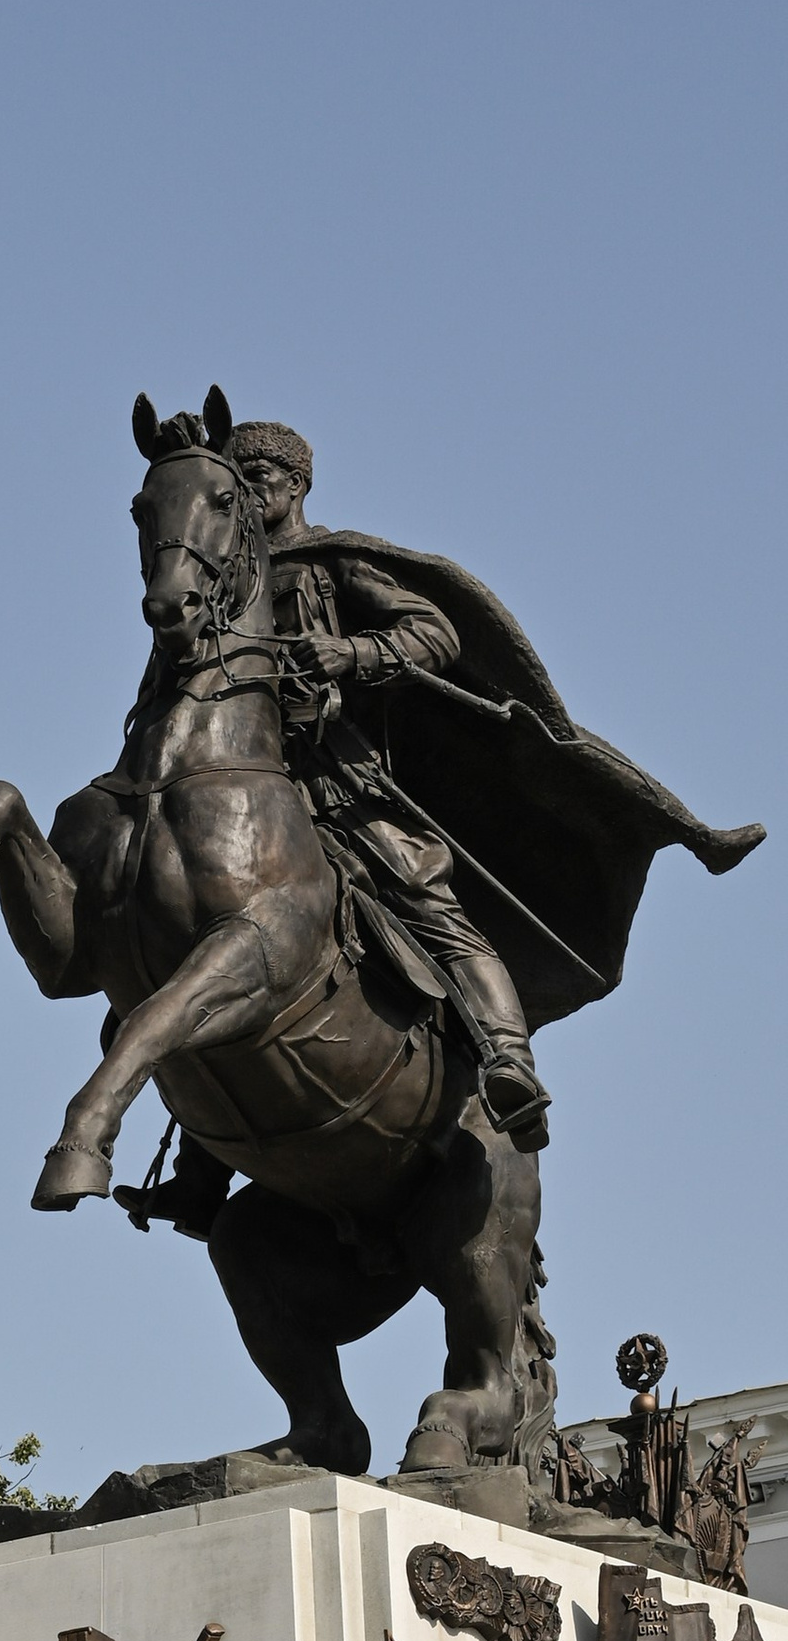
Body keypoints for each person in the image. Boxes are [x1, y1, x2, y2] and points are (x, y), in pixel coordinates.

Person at [231, 418, 550, 1147]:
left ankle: (510, 1059)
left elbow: (435, 632)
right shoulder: (222, 582)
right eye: (236, 484)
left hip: (337, 781)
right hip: (249, 790)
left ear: (295, 486)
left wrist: (349, 651)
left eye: (259, 482)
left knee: (429, 903)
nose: (247, 498)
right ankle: (203, 1153)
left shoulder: (333, 561)